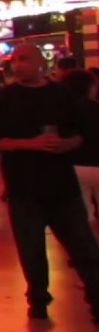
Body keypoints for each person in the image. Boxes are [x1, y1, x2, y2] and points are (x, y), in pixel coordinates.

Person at [0, 43, 99, 321]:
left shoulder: (61, 94)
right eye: (14, 60)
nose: (17, 65)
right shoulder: (6, 98)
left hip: (62, 185)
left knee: (82, 244)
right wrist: (30, 144)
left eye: (24, 59)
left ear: (39, 62)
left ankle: (96, 297)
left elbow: (79, 133)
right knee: (31, 248)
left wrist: (66, 143)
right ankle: (38, 298)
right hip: (24, 187)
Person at [60, 70, 99, 224]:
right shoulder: (96, 108)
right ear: (89, 87)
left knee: (83, 217)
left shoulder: (63, 111)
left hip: (74, 167)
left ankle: (92, 246)